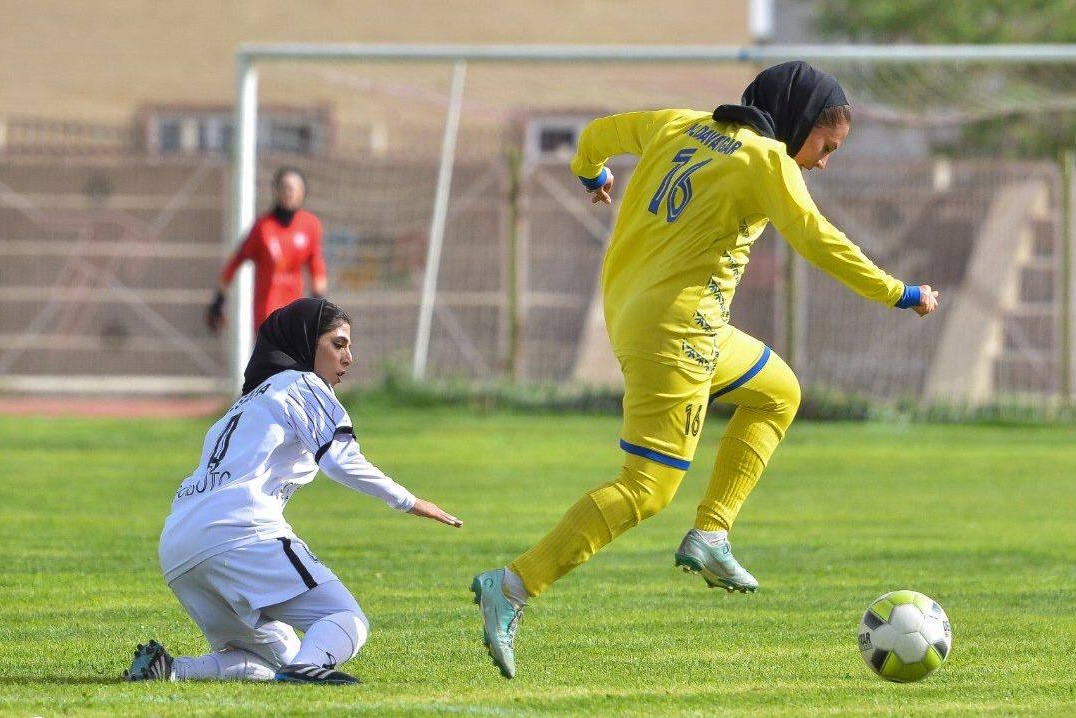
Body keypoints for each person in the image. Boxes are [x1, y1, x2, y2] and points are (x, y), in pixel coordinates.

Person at [471, 61, 940, 679]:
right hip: (679, 331)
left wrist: (593, 173)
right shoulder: (766, 160)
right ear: (798, 122)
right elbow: (819, 239)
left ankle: (712, 535)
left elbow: (599, 134)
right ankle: (511, 585)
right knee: (646, 487)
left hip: (637, 312)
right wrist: (900, 293)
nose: (823, 161)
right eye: (826, 147)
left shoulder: (678, 123)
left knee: (778, 392)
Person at [124, 297, 462, 685]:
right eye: (338, 344)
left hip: (179, 546)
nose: (349, 357)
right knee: (345, 621)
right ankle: (305, 672)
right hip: (239, 532)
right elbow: (340, 460)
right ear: (305, 342)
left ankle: (170, 669)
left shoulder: (243, 404)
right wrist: (410, 502)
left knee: (273, 659)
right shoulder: (302, 383)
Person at [206, 167, 328, 334]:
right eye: (285, 187)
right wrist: (219, 298)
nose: (289, 192)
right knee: (272, 356)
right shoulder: (263, 227)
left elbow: (317, 266)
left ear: (302, 192)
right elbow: (236, 261)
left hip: (295, 310)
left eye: (294, 188)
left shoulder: (310, 225)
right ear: (276, 190)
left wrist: (320, 305)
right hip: (267, 311)